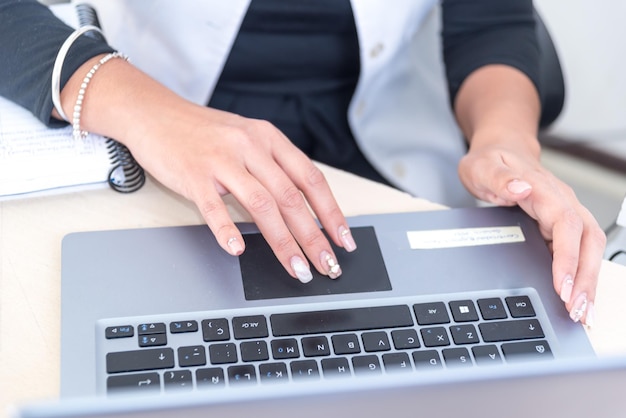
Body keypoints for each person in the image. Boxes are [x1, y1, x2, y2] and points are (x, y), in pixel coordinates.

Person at [0, 0, 604, 326]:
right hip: (162, 124)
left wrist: (507, 146)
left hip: (374, 148)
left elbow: (492, 22)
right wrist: (146, 112)